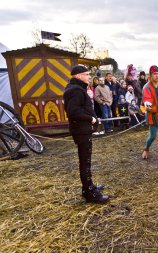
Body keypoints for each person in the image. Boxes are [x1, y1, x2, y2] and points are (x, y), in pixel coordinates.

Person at [63, 65, 109, 204]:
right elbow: (73, 111)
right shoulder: (76, 90)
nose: (89, 77)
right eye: (87, 74)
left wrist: (93, 117)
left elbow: (81, 108)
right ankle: (89, 193)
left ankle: (89, 187)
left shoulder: (76, 89)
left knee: (86, 162)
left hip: (83, 130)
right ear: (78, 76)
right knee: (85, 162)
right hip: (81, 131)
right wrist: (91, 119)